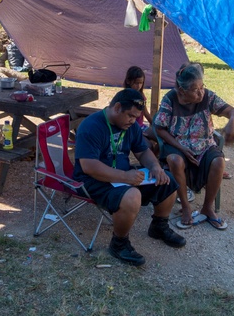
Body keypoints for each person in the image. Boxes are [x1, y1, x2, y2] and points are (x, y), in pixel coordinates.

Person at [74, 88, 185, 266]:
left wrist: (155, 166)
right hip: (93, 180)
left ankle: (159, 226)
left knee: (167, 180)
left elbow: (142, 151)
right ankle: (119, 243)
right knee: (132, 196)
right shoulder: (91, 126)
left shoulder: (129, 125)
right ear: (117, 107)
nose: (133, 121)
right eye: (130, 116)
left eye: (136, 117)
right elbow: (89, 167)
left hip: (122, 176)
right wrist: (125, 177)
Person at [153, 63, 234, 230]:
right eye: (195, 89)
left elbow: (232, 111)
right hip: (178, 144)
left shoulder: (207, 97)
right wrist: (180, 146)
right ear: (182, 91)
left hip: (204, 144)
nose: (201, 92)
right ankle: (186, 206)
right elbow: (159, 128)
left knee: (219, 162)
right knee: (175, 161)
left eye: (202, 87)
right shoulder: (170, 99)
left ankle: (207, 208)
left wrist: (232, 123)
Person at [123, 66, 159, 157]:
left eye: (141, 83)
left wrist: (156, 126)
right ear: (128, 81)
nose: (138, 86)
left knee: (161, 138)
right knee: (148, 146)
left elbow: (146, 113)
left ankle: (156, 161)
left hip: (142, 126)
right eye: (136, 83)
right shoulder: (125, 97)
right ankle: (148, 164)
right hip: (132, 129)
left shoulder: (141, 96)